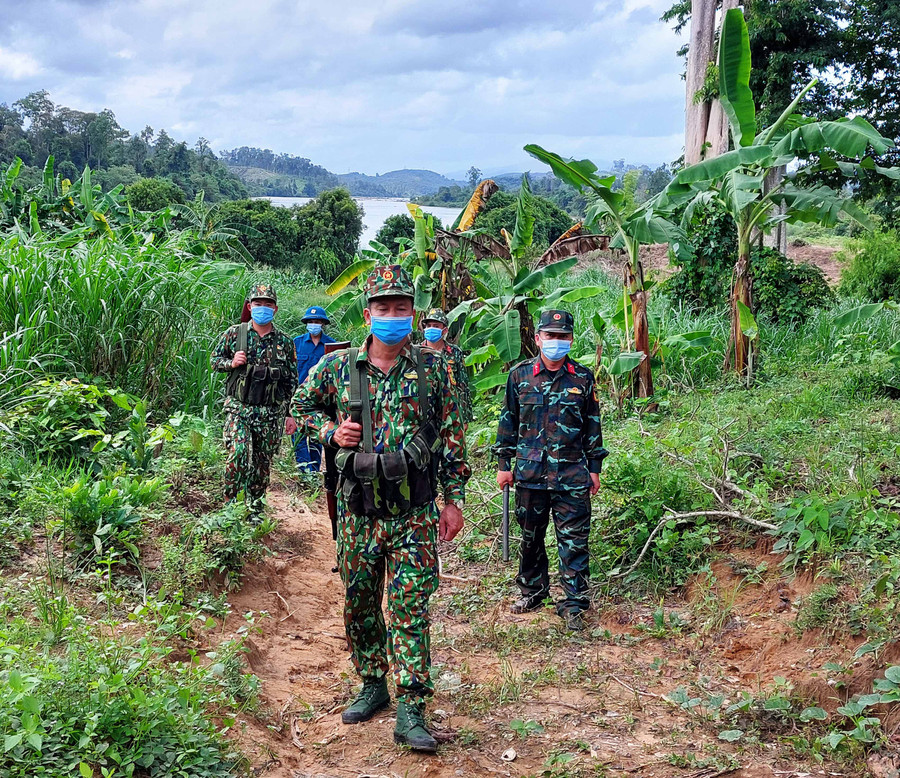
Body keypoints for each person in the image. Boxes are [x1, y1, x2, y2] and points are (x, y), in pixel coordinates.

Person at [292, 265, 469, 753]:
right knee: (361, 602)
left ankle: (412, 705)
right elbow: (301, 405)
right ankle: (373, 683)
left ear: (413, 313)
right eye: (383, 308)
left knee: (411, 606)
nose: (393, 316)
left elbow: (452, 436)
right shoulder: (337, 367)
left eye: (402, 308)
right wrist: (331, 433)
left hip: (414, 510)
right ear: (368, 314)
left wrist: (452, 500)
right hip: (359, 510)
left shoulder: (436, 369)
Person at [492, 309, 607, 632]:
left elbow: (592, 425)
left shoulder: (582, 378)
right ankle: (533, 591)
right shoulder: (520, 376)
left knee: (573, 541)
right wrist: (504, 464)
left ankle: (574, 603)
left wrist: (595, 467)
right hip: (529, 474)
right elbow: (508, 422)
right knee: (531, 538)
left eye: (563, 336)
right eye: (550, 336)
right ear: (538, 338)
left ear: (570, 339)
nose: (556, 342)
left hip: (572, 473)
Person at [211, 284, 298, 511]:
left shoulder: (285, 343)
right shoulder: (235, 334)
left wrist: (290, 414)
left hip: (270, 412)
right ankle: (230, 505)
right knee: (238, 452)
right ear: (250, 307)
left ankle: (255, 507)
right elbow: (214, 361)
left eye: (267, 304)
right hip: (239, 408)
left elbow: (291, 381)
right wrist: (231, 363)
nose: (262, 308)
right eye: (258, 304)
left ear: (275, 309)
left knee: (262, 463)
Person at [293, 305, 335, 473]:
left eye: (317, 321)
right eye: (311, 321)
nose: (314, 324)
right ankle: (304, 472)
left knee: (318, 434)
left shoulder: (332, 345)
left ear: (323, 324)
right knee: (299, 435)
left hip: (322, 399)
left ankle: (315, 469)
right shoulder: (297, 343)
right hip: (301, 398)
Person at [421, 307, 473, 425]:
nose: (431, 329)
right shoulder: (417, 353)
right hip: (425, 411)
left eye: (435, 326)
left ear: (444, 330)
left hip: (451, 409)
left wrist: (465, 418)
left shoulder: (455, 352)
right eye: (428, 326)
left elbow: (462, 385)